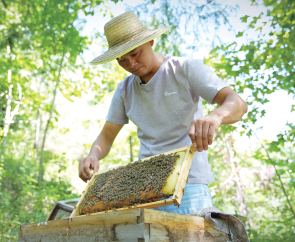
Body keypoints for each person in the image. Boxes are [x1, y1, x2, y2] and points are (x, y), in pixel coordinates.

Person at [78, 11, 248, 214]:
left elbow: (237, 103)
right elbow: (106, 135)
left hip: (190, 185)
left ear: (150, 41)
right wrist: (93, 155)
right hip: (145, 190)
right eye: (122, 61)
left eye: (135, 54)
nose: (131, 64)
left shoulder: (184, 68)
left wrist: (216, 116)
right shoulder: (124, 90)